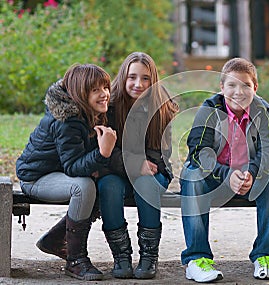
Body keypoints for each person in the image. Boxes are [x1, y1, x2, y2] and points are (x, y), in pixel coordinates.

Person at [180, 57, 269, 283]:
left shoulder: (263, 110)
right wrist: (227, 175)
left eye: (246, 85)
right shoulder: (208, 109)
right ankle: (197, 259)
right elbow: (199, 152)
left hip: (248, 177)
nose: (239, 91)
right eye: (232, 85)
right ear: (222, 88)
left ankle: (264, 255)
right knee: (191, 174)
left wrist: (252, 173)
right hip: (214, 177)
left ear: (255, 87)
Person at [16, 63, 117, 281]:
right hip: (37, 177)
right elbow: (73, 166)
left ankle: (54, 239)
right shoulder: (66, 120)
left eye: (105, 87)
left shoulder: (89, 111)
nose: (104, 94)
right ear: (81, 93)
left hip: (59, 172)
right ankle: (76, 260)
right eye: (95, 90)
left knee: (100, 184)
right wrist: (103, 154)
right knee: (83, 186)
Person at [96, 52, 178, 279]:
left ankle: (149, 257)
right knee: (108, 187)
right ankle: (121, 256)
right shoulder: (109, 105)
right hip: (115, 170)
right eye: (132, 77)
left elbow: (160, 153)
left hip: (152, 169)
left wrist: (140, 165)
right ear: (123, 77)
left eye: (145, 78)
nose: (138, 84)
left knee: (148, 184)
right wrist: (133, 163)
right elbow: (104, 151)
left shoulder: (162, 106)